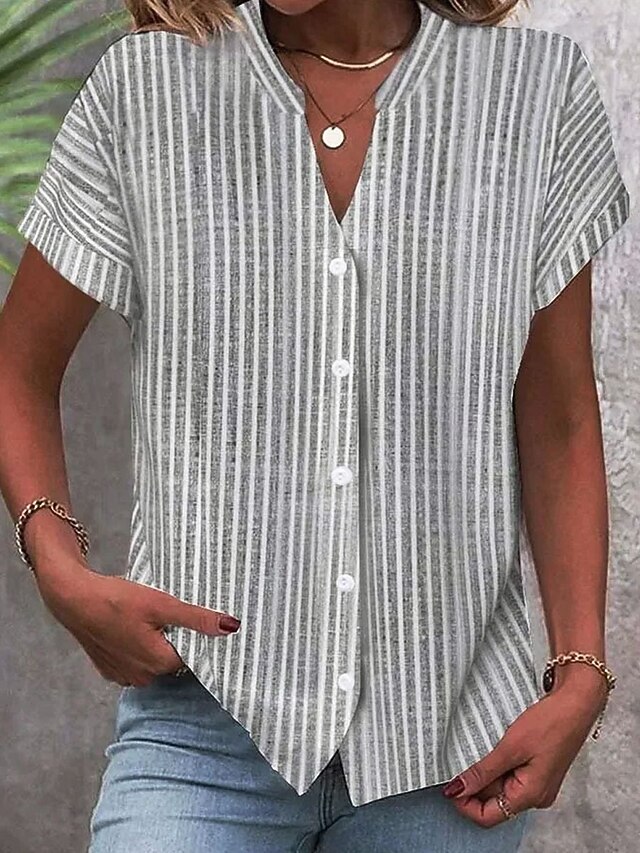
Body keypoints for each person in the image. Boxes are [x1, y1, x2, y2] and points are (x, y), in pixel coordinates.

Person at [0, 0, 629, 850]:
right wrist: (58, 568)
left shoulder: (534, 95)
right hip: (205, 726)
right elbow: (18, 368)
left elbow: (557, 416)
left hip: (450, 751)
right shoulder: (144, 92)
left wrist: (580, 671)